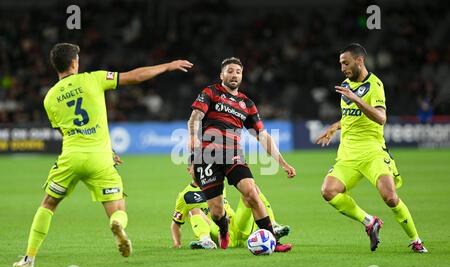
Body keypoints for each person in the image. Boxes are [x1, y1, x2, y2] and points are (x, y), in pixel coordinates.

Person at [13, 43, 193, 267]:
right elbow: (135, 76)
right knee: (117, 210)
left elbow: (64, 132)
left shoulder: (49, 98)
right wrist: (167, 66)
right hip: (100, 158)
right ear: (74, 63)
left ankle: (29, 258)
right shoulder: (92, 79)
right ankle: (117, 226)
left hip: (71, 157)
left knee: (48, 204)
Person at [316, 43, 427, 253]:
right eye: (340, 64)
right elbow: (350, 118)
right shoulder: (345, 84)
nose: (342, 68)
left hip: (373, 152)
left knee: (390, 197)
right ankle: (369, 221)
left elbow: (380, 118)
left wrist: (357, 99)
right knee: (328, 191)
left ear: (360, 60)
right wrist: (335, 126)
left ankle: (416, 240)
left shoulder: (375, 85)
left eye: (346, 63)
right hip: (348, 154)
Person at [187, 57, 295, 252]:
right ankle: (223, 228)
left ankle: (273, 241)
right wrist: (193, 148)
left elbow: (262, 135)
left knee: (252, 193)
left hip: (234, 154)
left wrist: (282, 162)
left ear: (242, 75)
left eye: (238, 71)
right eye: (230, 71)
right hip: (207, 156)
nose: (234, 74)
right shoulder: (210, 92)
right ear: (222, 75)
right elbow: (195, 117)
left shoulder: (247, 103)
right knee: (217, 212)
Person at [171, 162, 291, 249]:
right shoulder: (185, 195)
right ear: (189, 170)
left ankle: (273, 226)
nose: (199, 170)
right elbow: (176, 224)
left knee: (251, 191)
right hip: (219, 232)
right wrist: (177, 243)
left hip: (237, 225)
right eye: (195, 168)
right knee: (194, 211)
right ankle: (205, 240)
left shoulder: (216, 181)